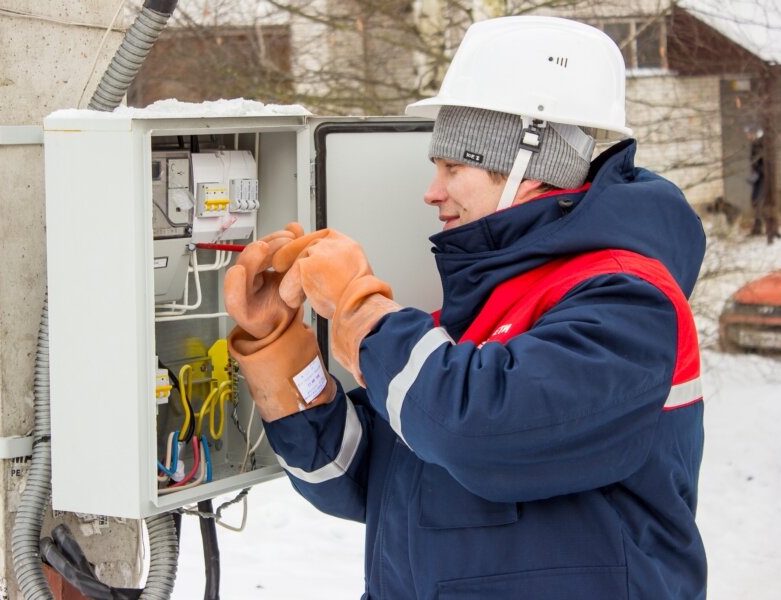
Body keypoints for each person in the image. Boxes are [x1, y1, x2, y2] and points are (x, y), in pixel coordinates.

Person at [224, 16, 707, 600]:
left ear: (531, 167)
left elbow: (475, 431)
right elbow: (355, 476)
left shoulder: (628, 300)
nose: (432, 191)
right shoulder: (477, 308)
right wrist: (280, 347)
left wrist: (358, 306)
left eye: (453, 167)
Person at [745, 125, 781, 244]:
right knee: (756, 201)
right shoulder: (756, 143)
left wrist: (757, 174)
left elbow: (764, 163)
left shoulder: (761, 144)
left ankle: (769, 228)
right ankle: (761, 226)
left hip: (763, 178)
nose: (747, 136)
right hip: (759, 178)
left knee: (760, 202)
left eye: (749, 133)